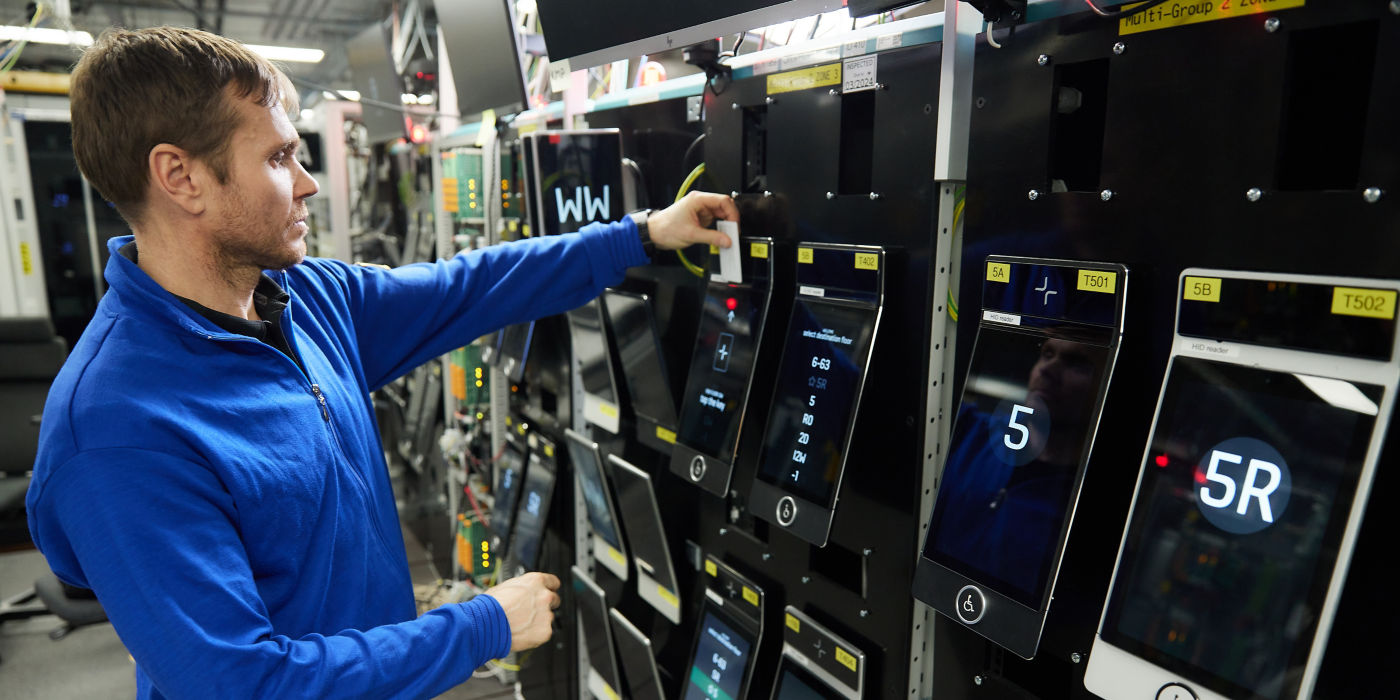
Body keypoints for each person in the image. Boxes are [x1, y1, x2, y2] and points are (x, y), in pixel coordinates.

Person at [24, 26, 735, 700]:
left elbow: (469, 286)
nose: (306, 183)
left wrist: (641, 234)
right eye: (278, 159)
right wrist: (483, 625)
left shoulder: (302, 299)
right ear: (179, 176)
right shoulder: (116, 427)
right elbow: (245, 686)